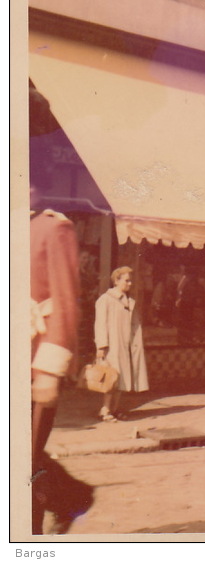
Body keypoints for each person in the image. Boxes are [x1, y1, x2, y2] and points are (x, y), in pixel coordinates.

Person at [29, 83, 94, 534]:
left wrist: (51, 367)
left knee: (22, 461)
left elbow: (66, 304)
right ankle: (72, 496)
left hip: (36, 360)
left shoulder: (54, 229)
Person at [94, 266, 149, 421]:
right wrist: (101, 346)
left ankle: (115, 408)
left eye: (131, 280)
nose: (130, 283)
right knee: (111, 378)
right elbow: (100, 324)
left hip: (126, 346)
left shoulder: (129, 301)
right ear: (116, 281)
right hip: (112, 346)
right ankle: (104, 410)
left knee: (123, 377)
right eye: (127, 280)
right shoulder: (106, 299)